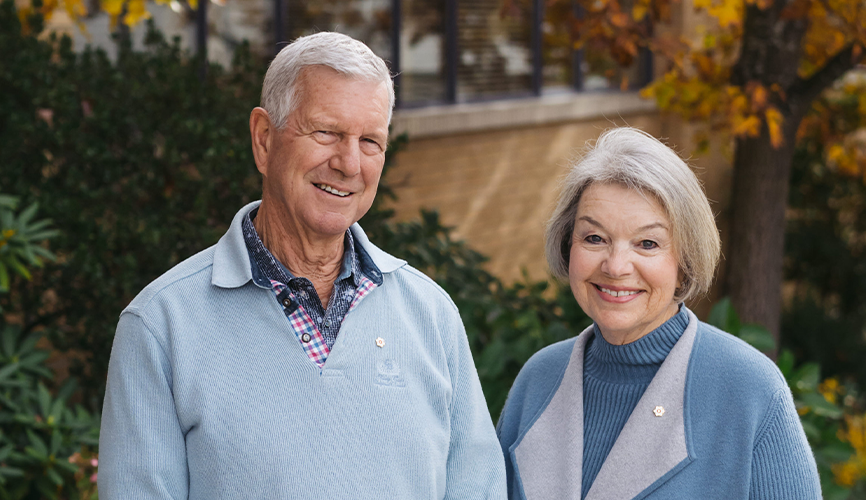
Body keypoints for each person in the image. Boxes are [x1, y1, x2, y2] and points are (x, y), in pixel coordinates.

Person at [99, 31, 506, 499]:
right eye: (327, 132)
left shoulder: (431, 314)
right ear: (264, 139)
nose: (349, 163)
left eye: (370, 141)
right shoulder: (160, 325)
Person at [496, 127, 822, 499]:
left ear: (685, 260)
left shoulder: (749, 390)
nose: (616, 266)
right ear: (568, 245)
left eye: (647, 243)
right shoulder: (538, 379)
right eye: (594, 238)